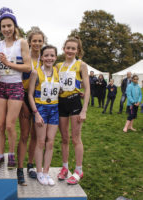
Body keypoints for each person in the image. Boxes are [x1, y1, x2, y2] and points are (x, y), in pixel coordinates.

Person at [0, 7, 31, 169]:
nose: (6, 29)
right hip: (0, 86)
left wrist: (8, 63)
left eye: (9, 26)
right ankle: (0, 156)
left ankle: (11, 155)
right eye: (3, 26)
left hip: (15, 86)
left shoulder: (22, 42)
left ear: (15, 26)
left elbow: (28, 67)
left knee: (9, 125)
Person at [56, 37, 90, 185]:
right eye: (68, 48)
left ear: (78, 51)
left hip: (75, 102)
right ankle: (64, 167)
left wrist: (84, 110)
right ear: (64, 49)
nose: (70, 50)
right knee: (64, 138)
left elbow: (87, 88)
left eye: (73, 48)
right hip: (61, 102)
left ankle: (78, 170)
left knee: (76, 138)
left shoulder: (81, 65)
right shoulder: (58, 66)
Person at [17, 26, 45, 185]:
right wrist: (22, 104)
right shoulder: (23, 57)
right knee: (24, 134)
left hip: (40, 99)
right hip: (24, 97)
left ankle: (30, 165)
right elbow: (17, 81)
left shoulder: (46, 58)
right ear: (29, 42)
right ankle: (19, 169)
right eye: (34, 40)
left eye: (40, 41)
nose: (37, 43)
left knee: (36, 135)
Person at [28, 45, 59, 186]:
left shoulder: (57, 71)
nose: (49, 58)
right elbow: (29, 94)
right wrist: (36, 113)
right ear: (42, 57)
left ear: (55, 57)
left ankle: (46, 172)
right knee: (40, 141)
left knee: (50, 142)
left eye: (52, 55)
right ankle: (39, 171)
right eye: (46, 55)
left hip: (54, 109)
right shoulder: (35, 72)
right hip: (40, 109)